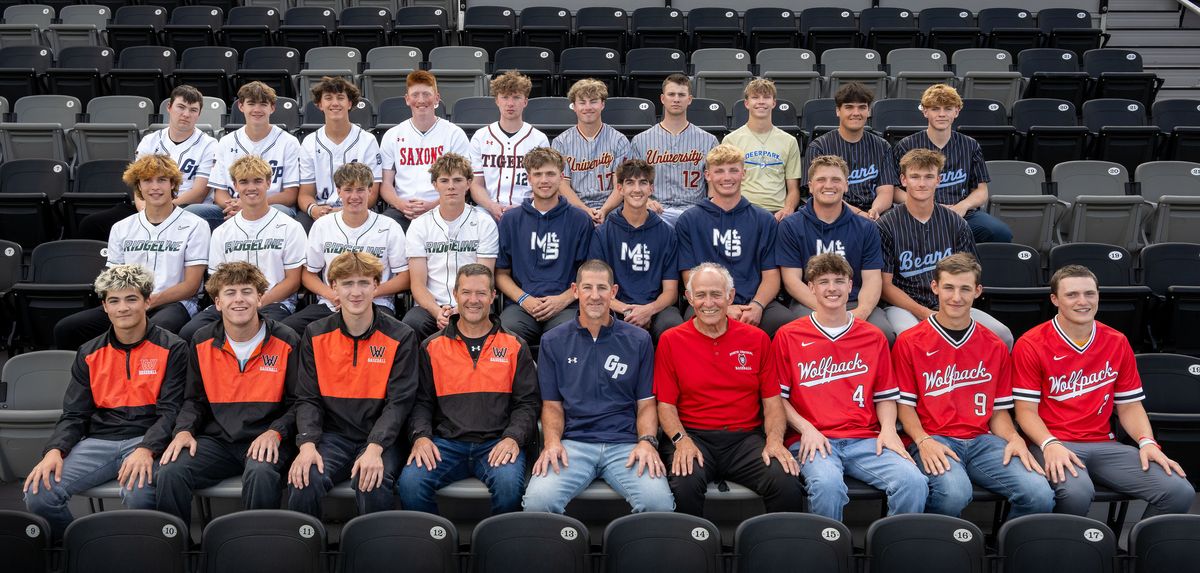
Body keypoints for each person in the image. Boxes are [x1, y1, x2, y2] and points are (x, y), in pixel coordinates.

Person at [1012, 265, 1195, 516]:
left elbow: (1129, 406)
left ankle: (1135, 553)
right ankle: (1068, 551)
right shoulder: (1031, 343)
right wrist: (1049, 443)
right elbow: (1025, 411)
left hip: (1104, 445)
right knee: (1077, 492)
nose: (1082, 301)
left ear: (1098, 296)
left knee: (1178, 490)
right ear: (1054, 299)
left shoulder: (1116, 341)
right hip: (1052, 442)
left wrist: (1147, 442)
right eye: (1072, 295)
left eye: (1090, 293)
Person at [24, 264, 187, 540]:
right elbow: (74, 414)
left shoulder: (173, 347)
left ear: (147, 302)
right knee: (39, 491)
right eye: (114, 300)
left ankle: (152, 555)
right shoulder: (89, 352)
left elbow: (172, 411)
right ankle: (82, 549)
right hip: (99, 441)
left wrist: (147, 448)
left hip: (148, 439)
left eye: (131, 299)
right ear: (105, 307)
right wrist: (55, 450)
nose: (123, 308)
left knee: (138, 492)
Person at [894, 253, 1054, 519]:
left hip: (982, 441)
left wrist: (1014, 438)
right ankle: (935, 548)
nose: (956, 297)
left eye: (965, 288)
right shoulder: (910, 341)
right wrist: (922, 440)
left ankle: (1004, 553)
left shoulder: (994, 345)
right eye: (949, 287)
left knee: (1039, 493)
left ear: (978, 291)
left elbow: (998, 412)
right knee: (954, 492)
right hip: (933, 437)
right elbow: (905, 407)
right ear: (935, 288)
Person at [772, 253, 927, 520]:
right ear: (811, 288)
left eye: (839, 281)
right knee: (827, 486)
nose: (832, 288)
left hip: (865, 439)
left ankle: (892, 554)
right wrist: (806, 428)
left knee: (913, 482)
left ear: (850, 286)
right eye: (823, 282)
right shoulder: (789, 335)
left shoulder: (873, 336)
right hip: (813, 440)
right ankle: (828, 555)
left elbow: (885, 395)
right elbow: (778, 398)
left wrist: (889, 430)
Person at [654, 262, 805, 516]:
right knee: (684, 482)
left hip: (745, 439)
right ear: (689, 298)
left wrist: (775, 441)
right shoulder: (671, 340)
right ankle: (691, 553)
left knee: (786, 480)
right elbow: (666, 406)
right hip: (695, 435)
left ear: (730, 297)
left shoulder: (756, 339)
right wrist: (682, 441)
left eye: (716, 294)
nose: (708, 302)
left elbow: (772, 402)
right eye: (700, 295)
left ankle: (776, 552)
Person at [523, 260, 674, 514]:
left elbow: (646, 403)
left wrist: (647, 442)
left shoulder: (639, 339)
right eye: (588, 288)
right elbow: (551, 405)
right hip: (574, 444)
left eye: (602, 288)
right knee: (538, 502)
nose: (595, 296)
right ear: (575, 290)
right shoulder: (553, 341)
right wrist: (551, 443)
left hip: (625, 445)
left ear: (613, 292)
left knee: (658, 503)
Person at [156, 262, 300, 526]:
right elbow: (194, 400)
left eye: (247, 291)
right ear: (217, 302)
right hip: (218, 441)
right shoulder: (201, 340)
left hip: (267, 438)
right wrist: (184, 431)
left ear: (260, 298)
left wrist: (276, 431)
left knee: (261, 472)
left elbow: (299, 402)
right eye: (230, 292)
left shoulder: (286, 339)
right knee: (171, 470)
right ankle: (176, 552)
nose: (239, 300)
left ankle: (254, 550)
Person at [398, 264, 539, 515]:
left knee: (509, 487)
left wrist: (512, 437)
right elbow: (420, 403)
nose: (473, 300)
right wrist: (420, 437)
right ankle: (438, 543)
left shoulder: (515, 345)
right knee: (411, 484)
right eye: (466, 292)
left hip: (497, 443)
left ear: (493, 296)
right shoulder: (432, 346)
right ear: (455, 294)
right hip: (446, 445)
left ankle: (496, 548)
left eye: (481, 293)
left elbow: (526, 404)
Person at [288, 252, 420, 517]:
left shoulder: (401, 335)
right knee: (304, 479)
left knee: (373, 481)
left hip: (381, 439)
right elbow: (308, 399)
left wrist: (374, 448)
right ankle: (309, 554)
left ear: (375, 285)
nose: (356, 292)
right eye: (347, 284)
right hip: (332, 437)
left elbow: (399, 404)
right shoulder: (315, 334)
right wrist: (308, 445)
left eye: (363, 283)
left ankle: (374, 554)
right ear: (333, 287)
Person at [54, 154, 210, 349]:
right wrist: (124, 304)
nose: (155, 187)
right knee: (67, 328)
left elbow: (191, 286)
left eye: (162, 180)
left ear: (173, 184)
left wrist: (147, 302)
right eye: (147, 180)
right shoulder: (121, 227)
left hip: (176, 303)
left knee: (156, 328)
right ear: (139, 186)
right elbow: (114, 279)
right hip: (128, 302)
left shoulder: (195, 225)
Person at [879, 148, 1013, 347]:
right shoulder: (885, 225)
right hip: (903, 307)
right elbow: (885, 286)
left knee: (1003, 336)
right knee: (914, 339)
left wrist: (950, 307)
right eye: (915, 176)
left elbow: (969, 273)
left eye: (929, 176)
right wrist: (924, 313)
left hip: (949, 302)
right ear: (903, 180)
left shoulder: (956, 222)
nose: (922, 183)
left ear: (938, 180)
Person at [178, 155, 307, 343]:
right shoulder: (222, 231)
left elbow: (293, 281)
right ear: (235, 185)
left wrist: (256, 302)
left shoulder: (290, 227)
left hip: (274, 302)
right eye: (244, 182)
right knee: (190, 332)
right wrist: (236, 302)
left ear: (269, 183)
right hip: (231, 302)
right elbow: (216, 281)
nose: (251, 187)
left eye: (258, 181)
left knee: (270, 335)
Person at [675, 143, 793, 337]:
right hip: (708, 302)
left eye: (733, 170)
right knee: (693, 322)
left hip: (754, 301)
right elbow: (689, 276)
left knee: (786, 324)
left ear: (743, 173)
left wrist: (757, 305)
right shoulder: (690, 220)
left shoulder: (763, 220)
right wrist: (722, 306)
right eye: (719, 171)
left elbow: (771, 276)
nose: (727, 177)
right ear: (708, 175)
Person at [76, 85, 218, 240]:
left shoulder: (209, 144)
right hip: (147, 205)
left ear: (199, 114)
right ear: (169, 108)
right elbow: (138, 183)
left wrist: (162, 210)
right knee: (92, 223)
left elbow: (199, 194)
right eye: (181, 107)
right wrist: (145, 210)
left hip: (185, 208)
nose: (186, 114)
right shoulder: (150, 140)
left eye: (193, 110)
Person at [777, 154, 893, 341]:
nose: (829, 185)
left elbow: (872, 279)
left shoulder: (866, 227)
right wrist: (828, 310)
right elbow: (792, 281)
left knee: (883, 333)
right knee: (804, 333)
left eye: (836, 180)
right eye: (821, 180)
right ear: (811, 186)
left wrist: (861, 312)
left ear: (846, 185)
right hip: (810, 303)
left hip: (854, 302)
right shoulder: (790, 226)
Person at [283, 162, 408, 334]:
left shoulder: (389, 227)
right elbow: (308, 274)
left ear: (370, 190)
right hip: (332, 304)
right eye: (348, 190)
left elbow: (405, 277)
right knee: (288, 330)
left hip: (376, 303)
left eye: (360, 190)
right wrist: (332, 294)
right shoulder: (322, 225)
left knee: (397, 334)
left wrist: (370, 292)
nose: (354, 196)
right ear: (338, 191)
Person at [495, 147, 593, 347]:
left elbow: (589, 274)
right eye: (537, 174)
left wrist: (563, 300)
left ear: (561, 177)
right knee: (505, 334)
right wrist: (524, 299)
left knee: (568, 335)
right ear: (529, 178)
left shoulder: (580, 220)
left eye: (550, 174)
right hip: (522, 305)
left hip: (566, 305)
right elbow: (500, 274)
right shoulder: (511, 220)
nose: (544, 180)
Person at [893, 84, 1012, 243]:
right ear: (925, 111)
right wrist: (929, 207)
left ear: (956, 112)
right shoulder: (906, 145)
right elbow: (894, 190)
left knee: (999, 232)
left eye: (948, 108)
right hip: (918, 212)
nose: (942, 114)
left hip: (962, 212)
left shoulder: (970, 145)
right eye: (935, 109)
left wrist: (962, 206)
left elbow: (981, 190)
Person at [402, 153, 498, 341]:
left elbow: (485, 278)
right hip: (430, 307)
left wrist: (460, 308)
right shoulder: (420, 225)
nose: (451, 186)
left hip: (474, 302)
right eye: (444, 180)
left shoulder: (484, 223)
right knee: (412, 324)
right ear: (435, 185)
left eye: (458, 180)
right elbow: (418, 284)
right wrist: (436, 310)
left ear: (469, 183)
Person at [588, 159, 682, 341]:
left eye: (643, 183)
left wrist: (648, 310)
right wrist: (629, 311)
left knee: (672, 327)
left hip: (656, 308)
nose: (637, 189)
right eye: (630, 183)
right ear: (620, 189)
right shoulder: (603, 233)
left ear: (651, 189)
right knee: (595, 319)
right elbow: (597, 287)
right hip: (614, 307)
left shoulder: (666, 233)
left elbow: (670, 292)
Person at [196, 81, 302, 229]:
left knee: (283, 211)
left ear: (272, 108)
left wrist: (249, 205)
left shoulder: (289, 142)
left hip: (273, 207)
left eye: (263, 104)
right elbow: (219, 192)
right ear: (241, 106)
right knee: (192, 213)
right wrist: (236, 207)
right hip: (232, 206)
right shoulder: (226, 142)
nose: (257, 109)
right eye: (251, 103)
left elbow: (290, 195)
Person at [379, 71, 471, 230]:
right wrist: (400, 204)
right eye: (415, 95)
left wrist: (434, 205)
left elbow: (463, 181)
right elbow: (386, 183)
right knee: (381, 231)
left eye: (426, 94)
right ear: (407, 99)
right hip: (402, 210)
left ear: (436, 98)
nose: (421, 100)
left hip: (443, 207)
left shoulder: (454, 134)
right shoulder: (393, 135)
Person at [629, 73, 719, 225]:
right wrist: (646, 201)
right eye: (671, 94)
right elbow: (633, 182)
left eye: (681, 95)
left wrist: (709, 208)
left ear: (689, 99)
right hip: (656, 212)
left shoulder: (709, 141)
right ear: (663, 99)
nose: (676, 99)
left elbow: (714, 185)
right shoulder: (640, 140)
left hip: (695, 212)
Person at [297, 76, 383, 231]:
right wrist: (314, 209)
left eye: (341, 98)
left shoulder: (367, 140)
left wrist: (344, 211)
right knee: (301, 225)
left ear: (350, 103)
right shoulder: (309, 142)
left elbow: (372, 193)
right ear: (319, 104)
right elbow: (305, 193)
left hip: (359, 208)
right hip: (321, 210)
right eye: (328, 98)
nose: (335, 103)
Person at [804, 82, 897, 220]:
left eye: (862, 107)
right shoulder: (819, 147)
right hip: (834, 214)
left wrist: (875, 210)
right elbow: (821, 193)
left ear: (869, 111)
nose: (856, 113)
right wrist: (859, 214)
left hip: (874, 215)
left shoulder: (882, 146)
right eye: (849, 107)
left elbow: (886, 191)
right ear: (838, 111)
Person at [469, 71, 550, 220]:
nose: (510, 103)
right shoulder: (480, 137)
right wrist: (492, 206)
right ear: (497, 101)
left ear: (525, 102)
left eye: (516, 97)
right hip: (486, 212)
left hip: (527, 210)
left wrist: (522, 208)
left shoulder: (539, 139)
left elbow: (542, 185)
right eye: (505, 97)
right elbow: (476, 185)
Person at [552, 78, 631, 224]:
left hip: (612, 210)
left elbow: (621, 185)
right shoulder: (560, 143)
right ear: (574, 106)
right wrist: (585, 210)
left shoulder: (619, 140)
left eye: (593, 101)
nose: (588, 107)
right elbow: (562, 186)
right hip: (573, 209)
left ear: (602, 104)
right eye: (582, 102)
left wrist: (604, 211)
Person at [723, 78, 802, 221]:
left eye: (766, 97)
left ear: (773, 103)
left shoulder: (789, 141)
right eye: (755, 97)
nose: (761, 101)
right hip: (743, 211)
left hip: (777, 213)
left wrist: (788, 209)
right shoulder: (731, 141)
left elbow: (793, 189)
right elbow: (726, 184)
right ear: (747, 103)